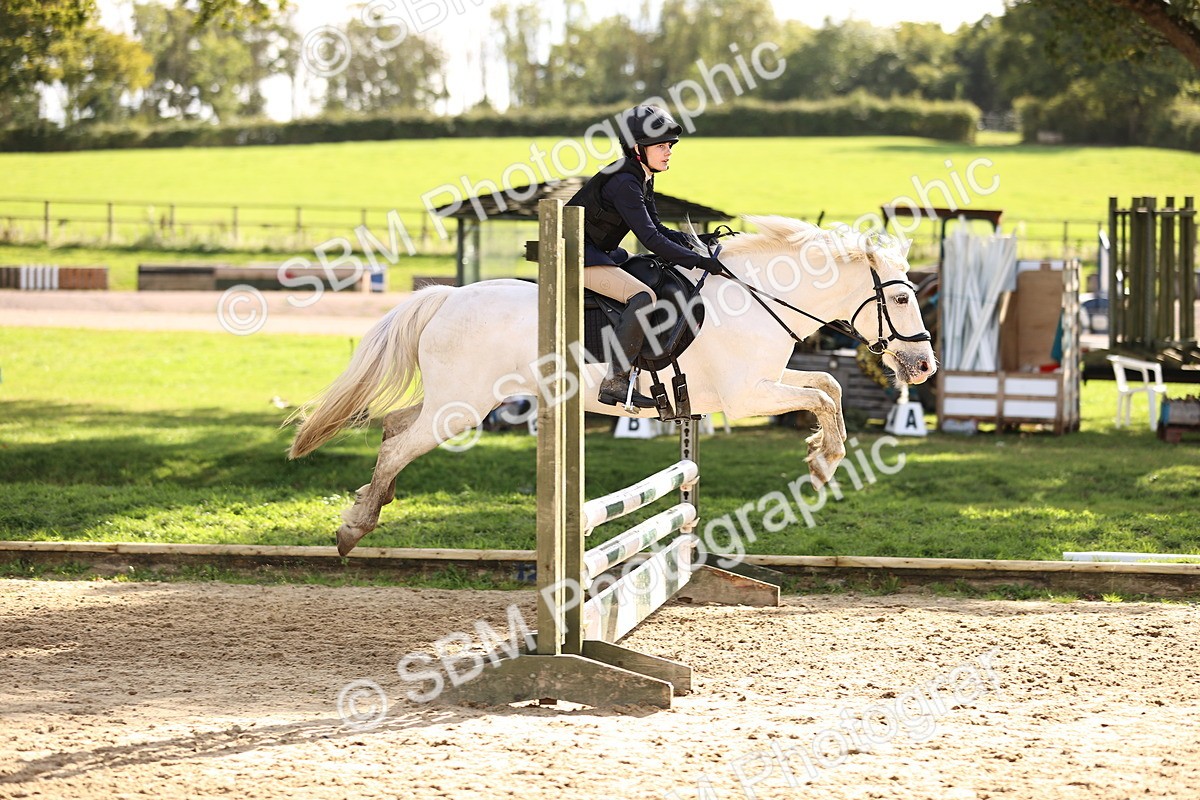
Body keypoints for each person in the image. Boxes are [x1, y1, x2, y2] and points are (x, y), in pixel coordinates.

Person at [568, 104, 725, 409]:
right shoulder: (625, 182)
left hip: (599, 252)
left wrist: (697, 242)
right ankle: (615, 381)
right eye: (661, 146)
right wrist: (700, 261)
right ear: (638, 148)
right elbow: (651, 239)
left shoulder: (641, 176)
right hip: (572, 255)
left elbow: (659, 229)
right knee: (642, 296)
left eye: (670, 146)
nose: (668, 152)